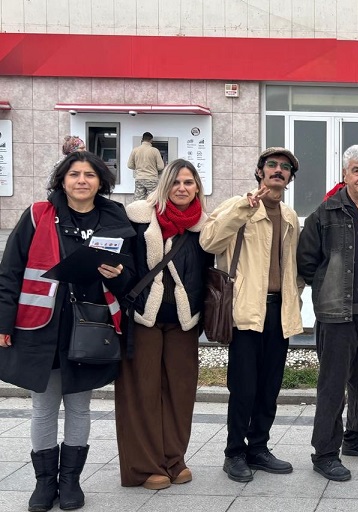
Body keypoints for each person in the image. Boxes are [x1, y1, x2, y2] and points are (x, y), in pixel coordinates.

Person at [0, 151, 135, 511]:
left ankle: (71, 481)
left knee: (79, 407)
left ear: (101, 181)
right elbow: (10, 271)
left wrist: (119, 275)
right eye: (74, 174)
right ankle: (45, 483)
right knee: (43, 407)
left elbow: (132, 276)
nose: (81, 180)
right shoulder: (38, 215)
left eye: (90, 174)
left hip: (90, 326)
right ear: (62, 179)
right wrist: (3, 323)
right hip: (41, 327)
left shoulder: (115, 218)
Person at [199, 147, 303, 483]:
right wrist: (244, 207)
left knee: (269, 387)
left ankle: (258, 448)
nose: (278, 170)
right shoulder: (239, 205)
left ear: (289, 177)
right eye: (271, 165)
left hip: (278, 312)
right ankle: (234, 453)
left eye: (285, 167)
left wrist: (295, 295)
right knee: (243, 388)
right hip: (246, 311)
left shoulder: (289, 216)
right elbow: (209, 242)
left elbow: (294, 266)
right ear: (260, 172)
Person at [114, 159, 213, 490]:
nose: (182, 188)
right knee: (141, 390)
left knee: (180, 391)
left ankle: (174, 458)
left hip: (184, 321)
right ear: (164, 185)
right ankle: (145, 466)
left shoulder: (204, 226)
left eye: (189, 182)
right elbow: (124, 265)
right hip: (143, 317)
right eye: (175, 182)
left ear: (197, 187)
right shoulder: (138, 217)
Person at [297, 144, 358, 482]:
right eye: (357, 170)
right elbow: (306, 262)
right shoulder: (325, 213)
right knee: (332, 386)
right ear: (345, 174)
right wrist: (329, 289)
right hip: (337, 315)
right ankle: (325, 453)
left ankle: (355, 437)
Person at [127, 132, 165, 201]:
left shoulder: (135, 150)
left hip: (139, 179)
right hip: (152, 179)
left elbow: (130, 165)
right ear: (151, 140)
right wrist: (153, 168)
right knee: (153, 200)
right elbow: (161, 167)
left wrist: (138, 168)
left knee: (138, 200)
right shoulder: (155, 151)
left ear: (142, 139)